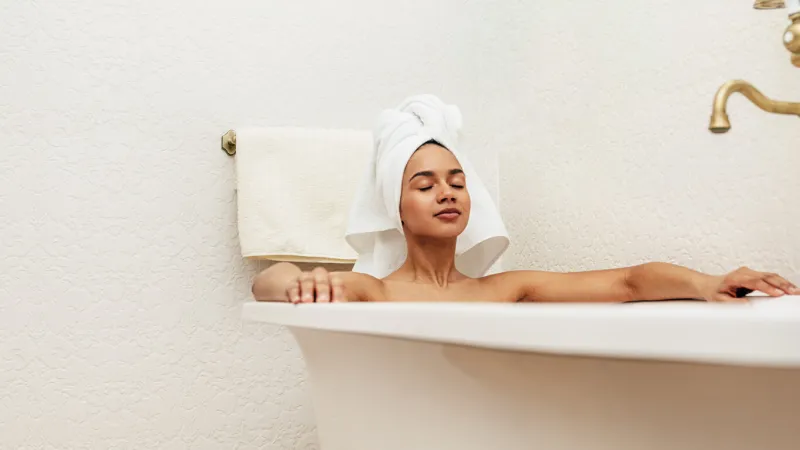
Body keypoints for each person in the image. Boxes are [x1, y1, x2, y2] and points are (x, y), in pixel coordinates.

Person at [251, 96, 798, 304]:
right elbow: (267, 282)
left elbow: (629, 282)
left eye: (457, 182)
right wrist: (301, 278)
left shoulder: (506, 289)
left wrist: (706, 283)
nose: (446, 192)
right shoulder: (373, 292)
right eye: (424, 185)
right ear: (394, 208)